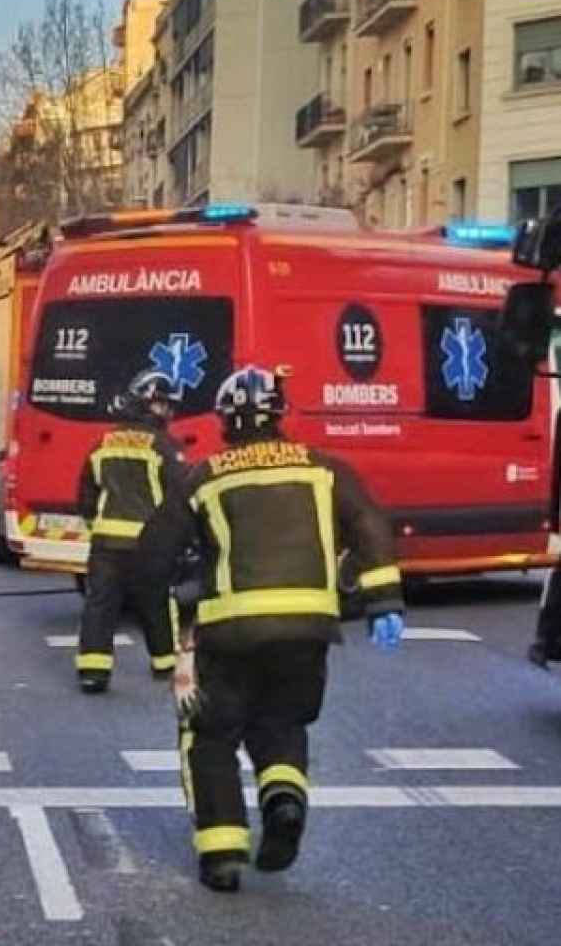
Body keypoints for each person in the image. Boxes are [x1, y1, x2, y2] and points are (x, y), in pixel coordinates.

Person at [136, 366, 406, 894]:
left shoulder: (206, 475)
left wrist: (164, 622)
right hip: (308, 629)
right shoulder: (324, 469)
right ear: (281, 415)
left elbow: (152, 556)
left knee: (210, 735)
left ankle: (222, 854)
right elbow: (371, 522)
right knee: (282, 722)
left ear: (225, 421)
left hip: (230, 633)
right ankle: (283, 800)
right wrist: (384, 600)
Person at [74, 369, 187, 694]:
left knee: (100, 606)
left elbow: (86, 494)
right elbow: (180, 493)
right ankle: (165, 664)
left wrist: (97, 527)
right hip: (149, 545)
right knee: (156, 604)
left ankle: (93, 672)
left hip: (106, 543)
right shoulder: (164, 446)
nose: (168, 412)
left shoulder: (104, 443)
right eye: (164, 405)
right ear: (150, 404)